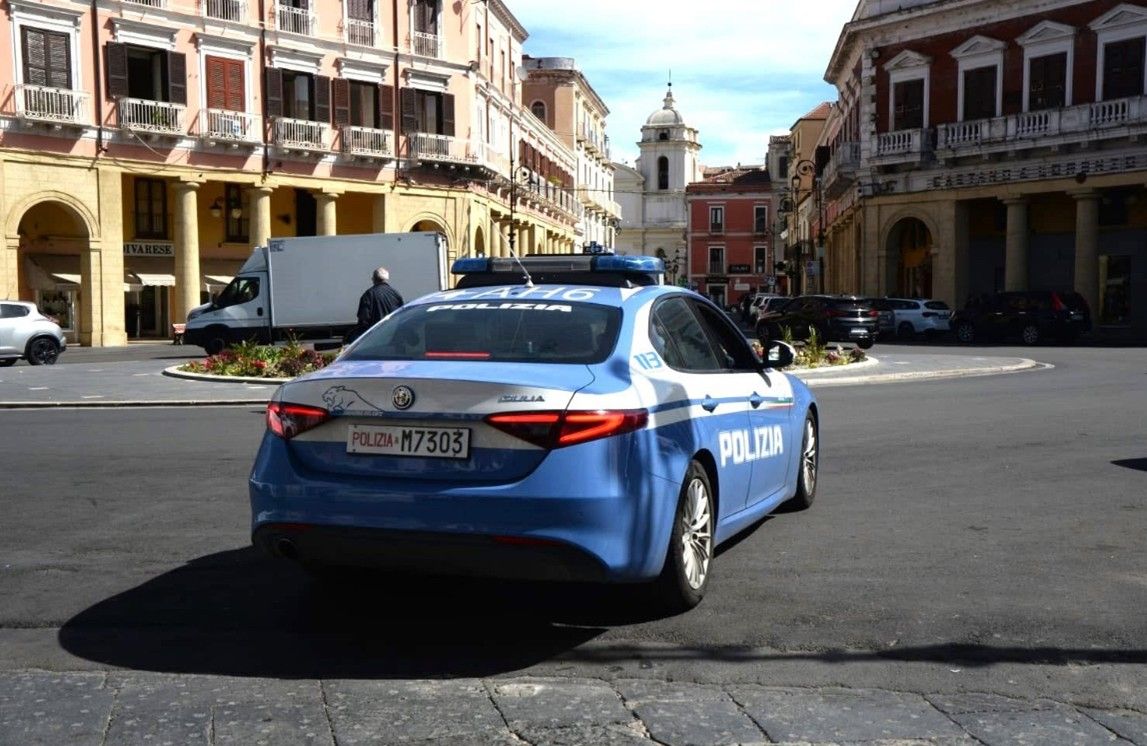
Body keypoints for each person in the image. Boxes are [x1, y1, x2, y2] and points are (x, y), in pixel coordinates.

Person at [347, 266, 404, 344]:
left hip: (376, 337)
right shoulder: (395, 294)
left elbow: (364, 319)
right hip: (392, 336)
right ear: (387, 279)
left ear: (373, 279)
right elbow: (401, 315)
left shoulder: (368, 295)